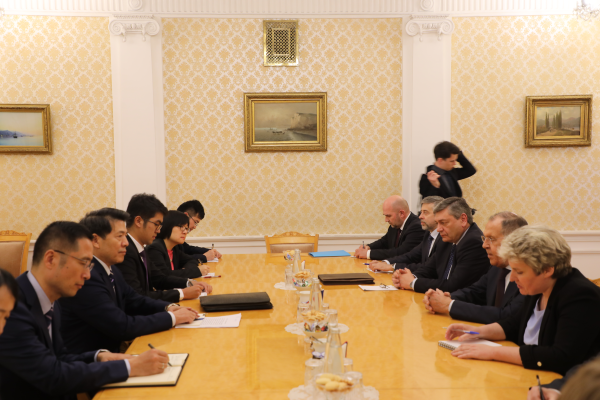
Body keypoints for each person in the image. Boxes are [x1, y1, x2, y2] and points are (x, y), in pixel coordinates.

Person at [0, 221, 168, 400]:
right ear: (50, 259)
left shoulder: (51, 298)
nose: (87, 275)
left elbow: (59, 357)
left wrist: (98, 357)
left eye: (90, 266)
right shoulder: (10, 308)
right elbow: (53, 376)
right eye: (83, 263)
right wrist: (130, 367)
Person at [445, 226, 600, 375]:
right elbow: (514, 324)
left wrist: (493, 352)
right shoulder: (540, 287)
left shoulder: (581, 296)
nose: (512, 278)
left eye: (518, 271)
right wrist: (476, 332)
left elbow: (560, 357)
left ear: (547, 270)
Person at [60, 209, 199, 354]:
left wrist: (168, 307)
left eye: (126, 236)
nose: (126, 243)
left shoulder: (111, 268)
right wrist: (172, 318)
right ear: (95, 240)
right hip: (90, 360)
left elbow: (134, 299)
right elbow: (121, 326)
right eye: (119, 236)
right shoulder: (86, 276)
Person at [422, 211, 527, 324]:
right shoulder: (497, 268)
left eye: (491, 239)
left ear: (513, 242)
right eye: (484, 238)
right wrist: (443, 298)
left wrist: (449, 305)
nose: (484, 245)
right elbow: (475, 292)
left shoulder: (528, 274)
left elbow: (506, 315)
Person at [115, 194, 211, 303]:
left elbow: (159, 278)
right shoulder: (125, 251)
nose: (158, 230)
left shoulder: (139, 248)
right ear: (138, 221)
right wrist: (182, 293)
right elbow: (136, 297)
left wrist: (189, 283)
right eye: (156, 224)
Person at [392, 197, 489, 293]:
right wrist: (408, 277)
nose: (438, 229)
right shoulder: (449, 238)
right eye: (437, 223)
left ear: (463, 219)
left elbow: (453, 286)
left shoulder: (474, 243)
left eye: (443, 223)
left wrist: (412, 283)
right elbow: (429, 268)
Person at [369, 196, 444, 272]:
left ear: (439, 215)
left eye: (425, 212)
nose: (420, 216)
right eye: (421, 212)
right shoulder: (428, 234)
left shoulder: (444, 238)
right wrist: (386, 262)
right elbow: (410, 255)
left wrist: (392, 267)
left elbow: (429, 267)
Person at [354, 195, 424, 260]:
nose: (386, 220)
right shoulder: (396, 223)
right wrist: (369, 247)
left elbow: (401, 252)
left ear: (401, 213)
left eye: (388, 216)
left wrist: (368, 254)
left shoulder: (417, 227)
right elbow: (385, 241)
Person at [146, 210, 208, 279]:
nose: (185, 232)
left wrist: (185, 271)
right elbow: (164, 276)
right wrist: (195, 271)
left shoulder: (174, 248)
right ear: (168, 226)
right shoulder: (155, 248)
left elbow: (192, 260)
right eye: (181, 227)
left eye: (186, 228)